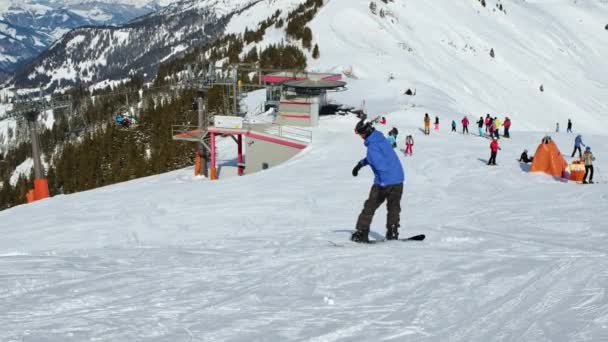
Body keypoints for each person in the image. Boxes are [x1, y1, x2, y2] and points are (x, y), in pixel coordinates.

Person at [351, 119, 405, 242]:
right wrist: (360, 164)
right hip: (398, 178)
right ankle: (392, 232)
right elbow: (376, 157)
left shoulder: (372, 147)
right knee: (394, 207)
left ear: (365, 132)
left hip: (385, 181)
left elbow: (378, 164)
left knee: (370, 206)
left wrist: (382, 184)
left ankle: (361, 232)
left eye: (360, 134)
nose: (360, 137)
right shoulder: (381, 139)